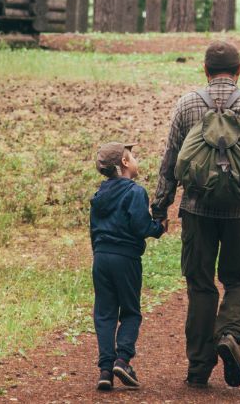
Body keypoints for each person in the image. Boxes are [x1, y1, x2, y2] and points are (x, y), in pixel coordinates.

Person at [151, 40, 240, 388]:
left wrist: (160, 207)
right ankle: (229, 334)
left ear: (206, 71)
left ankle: (199, 368)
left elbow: (170, 161)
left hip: (197, 209)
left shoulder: (186, 105)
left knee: (200, 285)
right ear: (239, 71)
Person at [90, 141, 165, 392]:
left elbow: (93, 231)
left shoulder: (99, 195)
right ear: (124, 163)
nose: (135, 159)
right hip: (126, 259)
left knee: (104, 313)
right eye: (132, 156)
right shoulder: (135, 192)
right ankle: (122, 360)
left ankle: (104, 370)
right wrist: (159, 227)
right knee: (131, 311)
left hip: (101, 258)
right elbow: (141, 227)